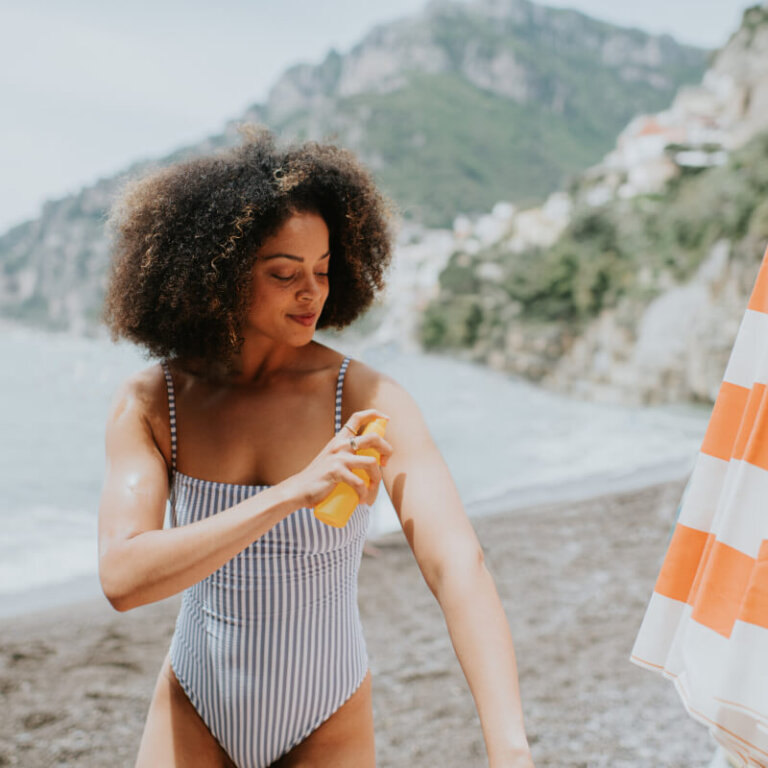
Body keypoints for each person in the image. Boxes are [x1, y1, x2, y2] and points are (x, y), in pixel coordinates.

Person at [97, 125, 534, 768]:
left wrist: (511, 748)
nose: (312, 293)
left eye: (324, 271)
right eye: (283, 272)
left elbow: (457, 566)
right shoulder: (152, 401)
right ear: (215, 272)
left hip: (325, 714)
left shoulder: (366, 398)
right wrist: (292, 493)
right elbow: (122, 579)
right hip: (194, 705)